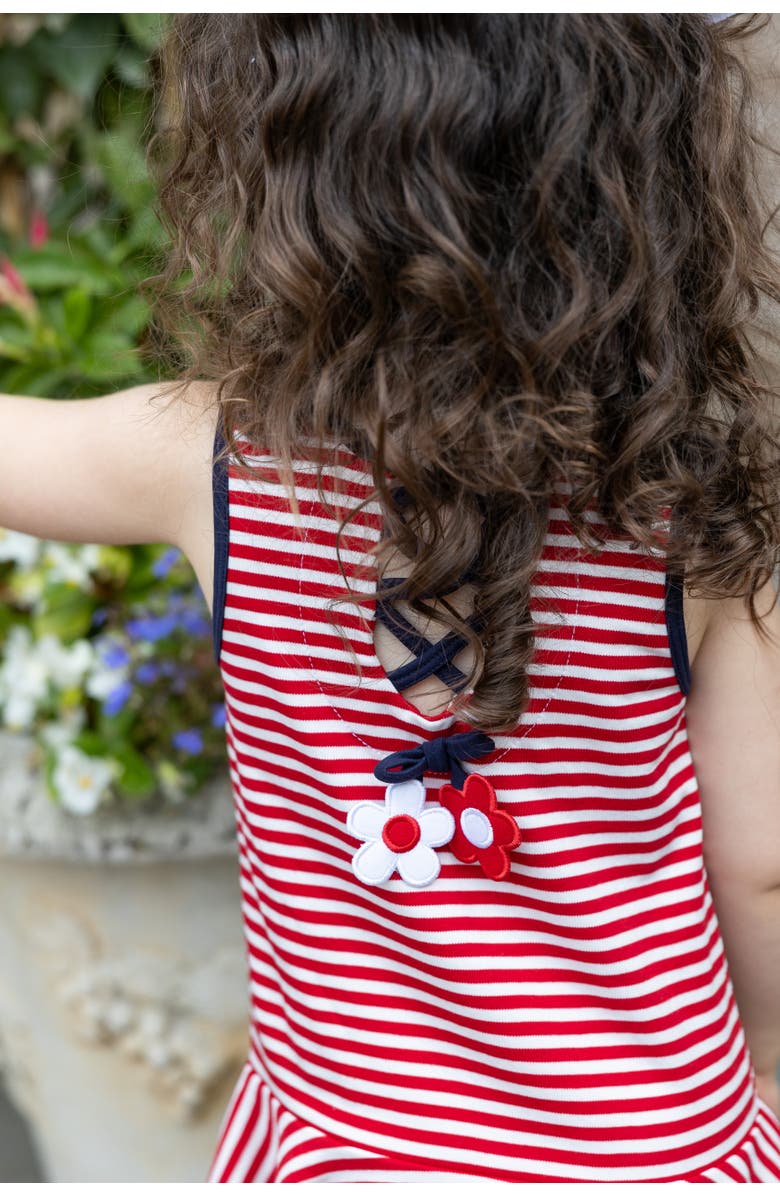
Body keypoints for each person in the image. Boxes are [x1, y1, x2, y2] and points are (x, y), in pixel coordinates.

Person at [1, 12, 780, 1183]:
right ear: (642, 187)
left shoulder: (216, 464)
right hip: (655, 1136)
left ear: (285, 171)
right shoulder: (687, 517)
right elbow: (758, 862)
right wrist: (764, 1069)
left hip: (347, 1141)